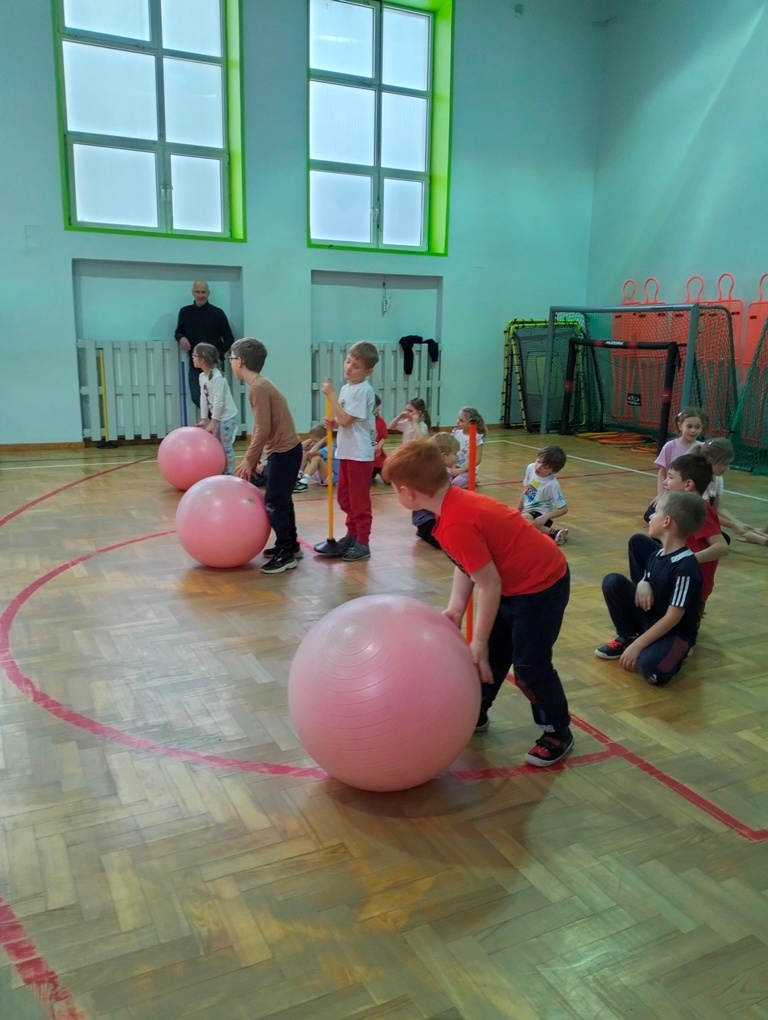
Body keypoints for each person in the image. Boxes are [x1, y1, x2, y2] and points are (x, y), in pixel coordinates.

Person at [383, 441, 573, 767]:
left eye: (393, 489)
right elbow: (469, 565)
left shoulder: (456, 520)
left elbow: (489, 583)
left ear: (407, 493)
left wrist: (479, 639)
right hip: (512, 583)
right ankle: (476, 712)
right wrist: (456, 608)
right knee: (488, 657)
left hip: (541, 586)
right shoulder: (449, 510)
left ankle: (557, 732)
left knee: (529, 667)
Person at [595, 491, 705, 686]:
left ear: (667, 522)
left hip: (674, 632)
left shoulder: (685, 566)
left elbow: (673, 617)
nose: (651, 516)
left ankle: (678, 650)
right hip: (651, 618)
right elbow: (649, 575)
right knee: (613, 582)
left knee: (652, 670)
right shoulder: (658, 554)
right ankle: (627, 637)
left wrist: (639, 646)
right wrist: (643, 583)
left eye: (656, 512)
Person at [230, 338, 303, 574]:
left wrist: (249, 459)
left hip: (285, 453)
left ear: (240, 362)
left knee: (274, 502)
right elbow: (263, 426)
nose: (231, 363)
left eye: (231, 358)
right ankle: (291, 546)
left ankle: (285, 553)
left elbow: (263, 429)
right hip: (283, 452)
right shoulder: (260, 384)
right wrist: (260, 457)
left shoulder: (258, 388)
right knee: (282, 500)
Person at [629, 453, 727, 620]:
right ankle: (645, 591)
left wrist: (687, 560)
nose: (665, 482)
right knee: (639, 542)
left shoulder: (697, 510)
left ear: (688, 485)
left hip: (689, 582)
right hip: (676, 572)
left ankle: (659, 605)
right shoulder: (683, 506)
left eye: (671, 477)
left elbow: (722, 547)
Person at [314, 341, 378, 562]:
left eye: (356, 366)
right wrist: (334, 423)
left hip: (359, 453)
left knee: (359, 500)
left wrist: (332, 397)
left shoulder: (363, 390)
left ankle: (363, 542)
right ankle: (352, 534)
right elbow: (344, 420)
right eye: (348, 362)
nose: (349, 367)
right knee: (345, 497)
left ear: (368, 371)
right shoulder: (347, 388)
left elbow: (346, 419)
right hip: (347, 451)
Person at [175, 281, 235, 409]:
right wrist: (181, 337)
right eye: (198, 292)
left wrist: (215, 354)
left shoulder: (218, 313)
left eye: (203, 292)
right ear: (193, 292)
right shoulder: (185, 312)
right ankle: (215, 419)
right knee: (196, 397)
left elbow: (229, 339)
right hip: (195, 364)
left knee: (216, 398)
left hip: (215, 365)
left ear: (208, 293)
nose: (200, 295)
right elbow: (178, 332)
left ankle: (217, 420)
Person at [643, 406, 707, 521]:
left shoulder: (702, 448)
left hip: (691, 495)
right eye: (689, 426)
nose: (693, 430)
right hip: (671, 493)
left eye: (697, 427)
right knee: (649, 515)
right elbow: (662, 473)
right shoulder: (670, 446)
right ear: (680, 426)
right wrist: (661, 493)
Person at [698, 437, 761, 543]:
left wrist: (739, 523)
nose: (728, 468)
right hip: (691, 522)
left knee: (724, 540)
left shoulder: (718, 478)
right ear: (711, 461)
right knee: (720, 544)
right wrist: (733, 525)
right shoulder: (698, 479)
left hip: (702, 520)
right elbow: (704, 515)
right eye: (725, 464)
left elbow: (718, 509)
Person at [193, 343, 239, 475]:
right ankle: (219, 471)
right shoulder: (202, 377)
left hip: (227, 417)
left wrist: (213, 422)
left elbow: (219, 402)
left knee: (225, 446)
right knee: (217, 446)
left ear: (202, 359)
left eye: (194, 356)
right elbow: (203, 398)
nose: (193, 358)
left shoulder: (217, 377)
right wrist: (203, 419)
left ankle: (229, 474)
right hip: (218, 418)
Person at [412, 433, 460, 549]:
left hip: (433, 517)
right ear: (443, 456)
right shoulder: (434, 475)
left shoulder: (440, 472)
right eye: (454, 454)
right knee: (449, 541)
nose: (457, 457)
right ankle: (428, 533)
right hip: (428, 520)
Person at [517, 445, 569, 545]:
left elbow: (563, 509)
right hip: (528, 513)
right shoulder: (530, 468)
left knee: (518, 521)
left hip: (542, 515)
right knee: (514, 520)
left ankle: (553, 532)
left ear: (554, 471)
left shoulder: (552, 485)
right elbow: (527, 491)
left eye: (546, 467)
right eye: (538, 461)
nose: (539, 467)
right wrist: (517, 510)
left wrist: (545, 517)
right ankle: (548, 532)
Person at [450, 407, 487, 488]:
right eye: (458, 419)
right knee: (444, 481)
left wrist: (460, 470)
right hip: (455, 466)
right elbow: (452, 452)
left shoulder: (477, 438)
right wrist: (453, 467)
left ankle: (473, 479)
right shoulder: (456, 433)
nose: (457, 422)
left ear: (470, 423)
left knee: (455, 484)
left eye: (461, 420)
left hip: (468, 470)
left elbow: (477, 460)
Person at [294, 424, 338, 491]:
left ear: (325, 439)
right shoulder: (319, 446)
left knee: (316, 457)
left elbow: (311, 453)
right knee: (306, 452)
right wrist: (311, 440)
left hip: (331, 478)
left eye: (315, 441)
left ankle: (304, 481)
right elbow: (300, 448)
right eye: (312, 441)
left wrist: (323, 440)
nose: (312, 443)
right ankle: (299, 475)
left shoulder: (331, 448)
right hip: (322, 475)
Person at [371, 394, 389, 482]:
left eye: (378, 406)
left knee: (388, 480)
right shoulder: (362, 422)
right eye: (376, 406)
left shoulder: (380, 421)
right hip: (367, 460)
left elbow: (383, 437)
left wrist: (379, 446)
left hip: (379, 459)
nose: (378, 408)